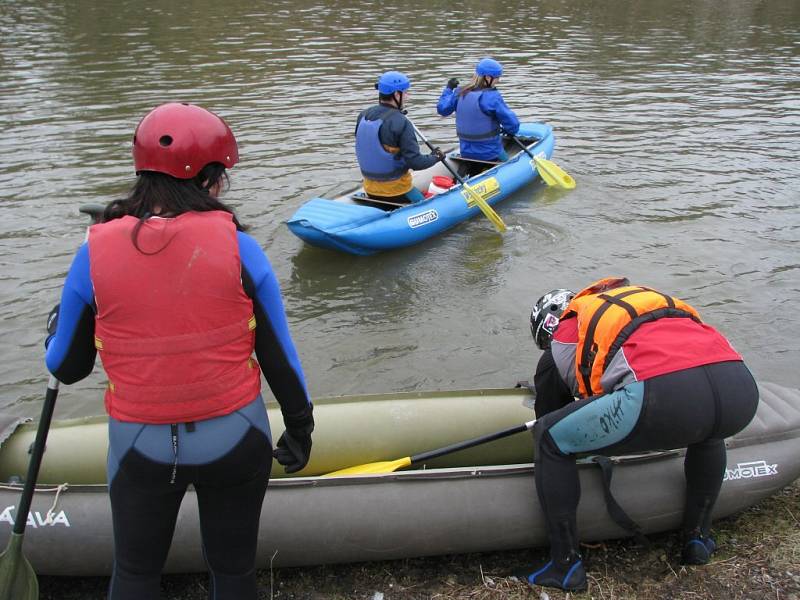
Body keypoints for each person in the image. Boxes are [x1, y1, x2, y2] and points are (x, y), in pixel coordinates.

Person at [44, 102, 313, 600]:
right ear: (210, 179)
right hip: (236, 438)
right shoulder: (243, 248)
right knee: (233, 573)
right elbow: (281, 356)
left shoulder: (93, 251)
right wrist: (300, 426)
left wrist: (57, 326)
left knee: (135, 574)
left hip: (138, 449)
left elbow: (68, 365)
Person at [525, 277, 759, 592]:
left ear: (547, 332)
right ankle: (698, 539)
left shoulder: (564, 336)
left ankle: (564, 566)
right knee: (707, 431)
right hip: (739, 389)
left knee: (549, 439)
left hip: (666, 396)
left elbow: (550, 416)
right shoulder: (638, 301)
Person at [355, 70, 444, 204]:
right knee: (428, 204)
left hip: (370, 189)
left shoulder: (363, 116)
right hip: (397, 192)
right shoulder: (401, 122)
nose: (407, 97)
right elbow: (416, 162)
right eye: (406, 92)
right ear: (397, 94)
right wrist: (436, 157)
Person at [436, 57, 520, 167]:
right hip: (491, 154)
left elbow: (442, 109)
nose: (498, 80)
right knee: (509, 162)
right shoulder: (492, 97)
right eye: (497, 77)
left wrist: (448, 89)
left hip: (465, 152)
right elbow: (513, 126)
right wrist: (508, 130)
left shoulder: (459, 92)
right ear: (488, 77)